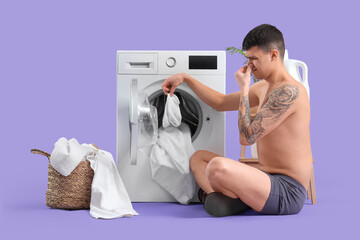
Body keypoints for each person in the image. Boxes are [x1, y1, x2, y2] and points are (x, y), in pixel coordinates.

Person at [161, 24, 313, 216]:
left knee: (216, 167)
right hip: (264, 178)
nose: (249, 65)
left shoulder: (290, 92)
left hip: (287, 191)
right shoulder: (264, 87)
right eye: (247, 58)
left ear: (274, 55)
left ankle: (224, 199)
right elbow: (221, 102)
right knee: (199, 158)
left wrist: (243, 89)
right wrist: (185, 78)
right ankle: (236, 199)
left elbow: (247, 138)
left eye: (254, 59)